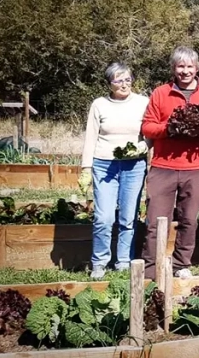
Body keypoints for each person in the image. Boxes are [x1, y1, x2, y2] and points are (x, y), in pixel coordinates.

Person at [140, 46, 199, 280]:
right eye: (180, 66)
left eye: (189, 66)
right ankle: (150, 267)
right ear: (174, 69)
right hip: (163, 166)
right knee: (156, 220)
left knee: (189, 219)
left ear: (197, 68)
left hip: (194, 168)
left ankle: (180, 264)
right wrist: (170, 128)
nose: (185, 71)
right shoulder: (160, 93)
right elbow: (147, 126)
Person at [78, 62, 150, 279]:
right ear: (109, 83)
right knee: (104, 216)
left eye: (128, 79)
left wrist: (142, 147)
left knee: (128, 218)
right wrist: (86, 168)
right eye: (118, 80)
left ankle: (123, 262)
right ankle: (99, 262)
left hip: (134, 165)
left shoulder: (143, 103)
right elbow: (90, 136)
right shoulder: (99, 104)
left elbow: (150, 133)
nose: (124, 84)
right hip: (104, 164)